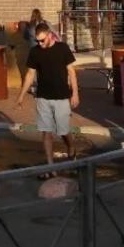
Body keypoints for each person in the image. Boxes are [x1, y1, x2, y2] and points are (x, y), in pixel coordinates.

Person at [16, 21, 79, 175]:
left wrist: (75, 93)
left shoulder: (62, 48)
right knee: (46, 131)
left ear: (50, 35)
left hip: (61, 96)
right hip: (43, 96)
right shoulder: (35, 52)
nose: (40, 44)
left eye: (42, 40)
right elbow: (30, 74)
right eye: (37, 41)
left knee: (63, 130)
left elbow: (71, 72)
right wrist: (21, 96)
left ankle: (71, 146)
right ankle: (51, 166)